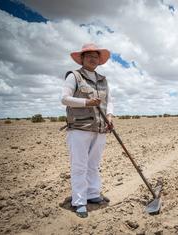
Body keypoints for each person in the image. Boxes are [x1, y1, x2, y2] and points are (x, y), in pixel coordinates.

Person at [61, 43, 114, 218]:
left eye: (96, 56)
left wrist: (110, 116)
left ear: (99, 60)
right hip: (79, 128)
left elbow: (110, 101)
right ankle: (79, 201)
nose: (93, 59)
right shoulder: (74, 76)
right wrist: (86, 102)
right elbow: (65, 99)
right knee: (79, 165)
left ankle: (92, 194)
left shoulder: (103, 79)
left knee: (93, 165)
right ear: (82, 59)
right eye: (89, 56)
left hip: (100, 128)